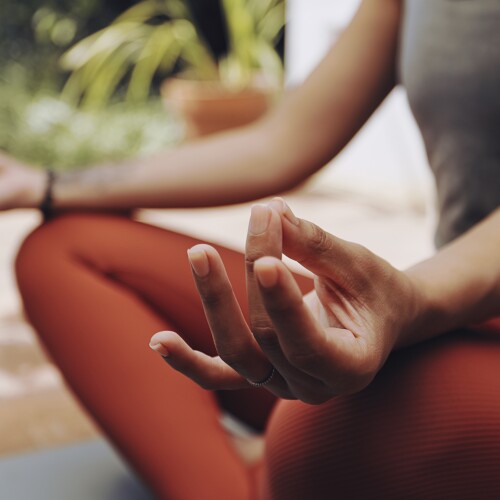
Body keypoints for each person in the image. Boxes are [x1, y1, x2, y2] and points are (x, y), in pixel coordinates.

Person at [3, 0, 499, 498]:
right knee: (68, 252)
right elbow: (281, 141)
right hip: (443, 317)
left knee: (310, 434)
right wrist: (44, 184)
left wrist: (409, 301)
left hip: (453, 308)